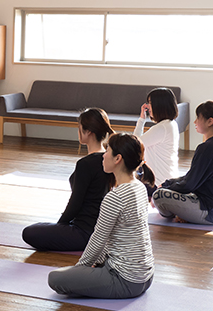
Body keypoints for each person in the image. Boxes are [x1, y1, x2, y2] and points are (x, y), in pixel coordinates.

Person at [47, 133, 155, 299]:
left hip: (125, 280)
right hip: (146, 278)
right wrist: (96, 263)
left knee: (55, 278)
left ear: (117, 158)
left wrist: (80, 269)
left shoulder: (115, 197)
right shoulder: (139, 188)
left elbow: (98, 238)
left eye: (107, 151)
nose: (103, 155)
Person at [22, 108, 115, 252]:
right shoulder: (109, 159)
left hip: (84, 233)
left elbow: (75, 202)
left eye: (80, 129)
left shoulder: (86, 164)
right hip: (100, 230)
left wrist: (61, 225)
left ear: (88, 132)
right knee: (42, 225)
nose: (78, 132)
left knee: (29, 232)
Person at [152, 101, 213, 225]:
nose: (195, 122)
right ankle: (185, 214)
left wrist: (166, 187)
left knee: (158, 195)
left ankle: (181, 214)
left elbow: (188, 185)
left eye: (198, 118)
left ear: (210, 121)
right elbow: (191, 177)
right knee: (166, 189)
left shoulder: (206, 148)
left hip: (211, 211)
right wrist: (168, 183)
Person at [134, 87, 180, 196]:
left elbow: (134, 145)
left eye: (150, 103)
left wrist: (141, 121)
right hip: (168, 180)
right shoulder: (171, 124)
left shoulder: (161, 128)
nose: (147, 106)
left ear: (159, 105)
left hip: (157, 184)